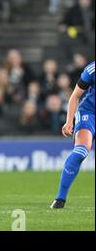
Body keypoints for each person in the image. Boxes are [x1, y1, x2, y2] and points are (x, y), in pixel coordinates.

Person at [51, 61, 94, 209]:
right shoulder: (92, 69)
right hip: (89, 113)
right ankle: (60, 199)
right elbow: (75, 96)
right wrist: (69, 121)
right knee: (81, 150)